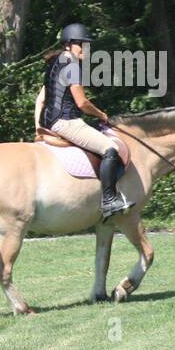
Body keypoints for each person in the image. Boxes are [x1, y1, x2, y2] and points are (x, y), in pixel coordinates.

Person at [36, 23, 128, 218]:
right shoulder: (71, 64)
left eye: (87, 45)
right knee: (111, 149)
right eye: (82, 45)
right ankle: (109, 200)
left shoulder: (54, 62)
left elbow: (42, 99)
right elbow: (82, 103)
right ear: (69, 45)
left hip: (50, 121)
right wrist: (102, 115)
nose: (87, 49)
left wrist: (38, 126)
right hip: (66, 121)